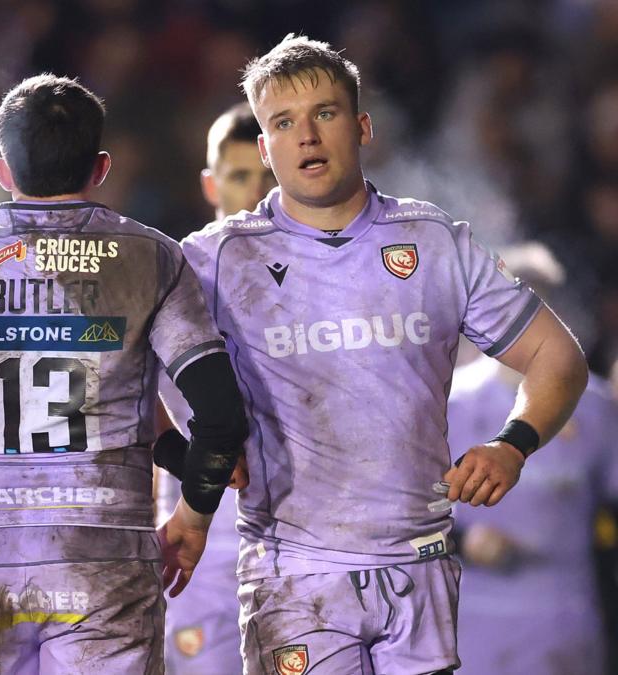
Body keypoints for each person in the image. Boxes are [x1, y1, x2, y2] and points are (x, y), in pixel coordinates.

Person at [179, 34, 588, 674]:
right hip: (296, 575)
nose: (306, 136)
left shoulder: (433, 241)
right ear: (265, 147)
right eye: (284, 123)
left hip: (420, 563)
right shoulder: (215, 259)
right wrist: (188, 452)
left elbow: (558, 357)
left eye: (326, 113)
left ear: (362, 125)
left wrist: (513, 443)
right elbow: (129, 373)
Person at [0, 73, 249, 673]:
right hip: (107, 558)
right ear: (100, 168)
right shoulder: (153, 258)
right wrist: (193, 515)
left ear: (3, 171)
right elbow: (222, 421)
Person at [447, 242, 618, 674]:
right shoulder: (452, 402)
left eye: (544, 305)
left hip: (566, 618)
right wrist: (464, 543)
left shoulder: (595, 406)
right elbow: (404, 511)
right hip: (475, 619)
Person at [155, 102, 274, 675]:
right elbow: (123, 391)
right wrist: (186, 461)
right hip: (203, 543)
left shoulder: (331, 273)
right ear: (210, 183)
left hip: (298, 543)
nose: (255, 193)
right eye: (239, 176)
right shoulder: (175, 272)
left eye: (267, 175)